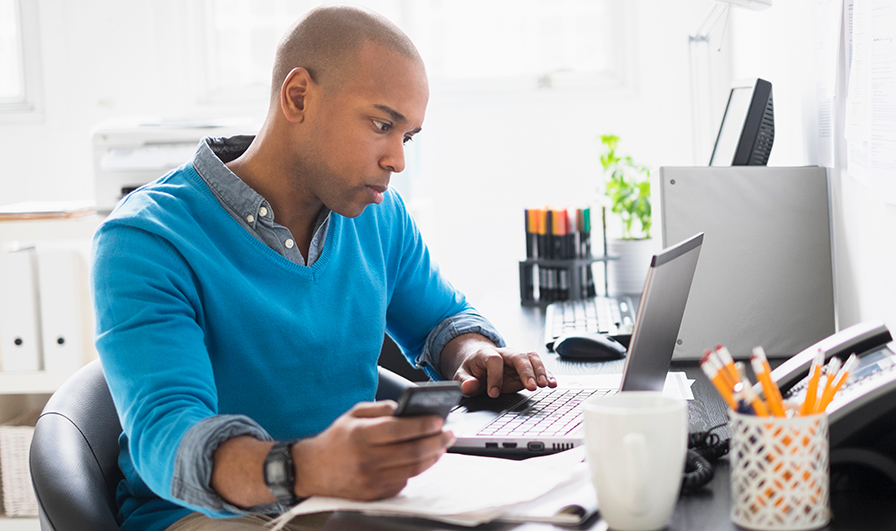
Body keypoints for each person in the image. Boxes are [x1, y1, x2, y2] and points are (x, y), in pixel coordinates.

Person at [90, 6, 556, 531]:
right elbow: (169, 440)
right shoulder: (147, 239)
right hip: (207, 516)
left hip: (347, 505)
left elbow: (443, 322)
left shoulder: (379, 216)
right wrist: (306, 467)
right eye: (382, 125)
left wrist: (478, 357)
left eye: (408, 136)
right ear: (298, 97)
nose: (397, 161)